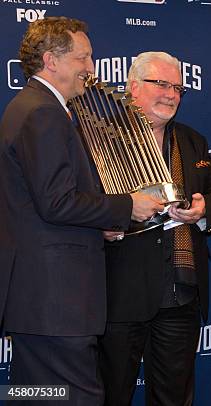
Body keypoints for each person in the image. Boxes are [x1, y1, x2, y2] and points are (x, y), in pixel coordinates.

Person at [0, 17, 162, 404]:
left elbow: (42, 205)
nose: (91, 69)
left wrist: (97, 226)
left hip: (40, 303)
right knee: (75, 398)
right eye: (83, 58)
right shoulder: (42, 112)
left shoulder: (30, 107)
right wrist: (128, 205)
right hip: (56, 303)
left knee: (37, 397)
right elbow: (57, 201)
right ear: (51, 60)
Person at [98, 52, 211, 406]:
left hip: (179, 290)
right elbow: (79, 203)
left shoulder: (192, 140)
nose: (171, 95)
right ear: (133, 87)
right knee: (111, 394)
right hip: (119, 292)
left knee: (174, 397)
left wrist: (203, 210)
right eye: (161, 84)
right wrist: (108, 223)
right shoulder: (99, 137)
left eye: (177, 88)